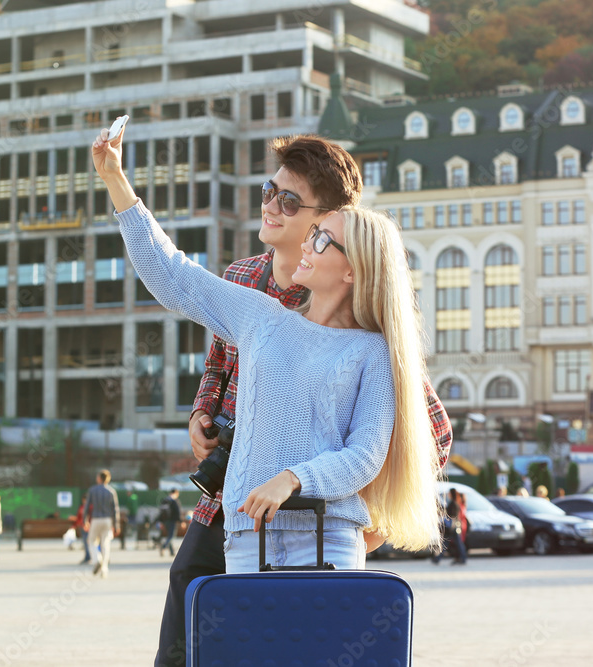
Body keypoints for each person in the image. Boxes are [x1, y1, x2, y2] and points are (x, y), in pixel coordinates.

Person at [140, 134, 453, 667]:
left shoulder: (368, 345)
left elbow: (429, 432)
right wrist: (202, 410)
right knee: (187, 627)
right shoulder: (246, 280)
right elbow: (217, 356)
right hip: (232, 500)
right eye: (269, 191)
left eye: (289, 200)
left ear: (327, 222)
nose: (271, 206)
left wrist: (367, 518)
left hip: (317, 518)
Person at [94, 127, 444, 567]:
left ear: (353, 270)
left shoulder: (372, 353)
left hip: (328, 538)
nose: (307, 245)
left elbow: (364, 456)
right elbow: (174, 276)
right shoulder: (261, 317)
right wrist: (116, 181)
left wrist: (294, 479)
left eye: (319, 238)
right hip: (245, 537)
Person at [84, 470, 119, 578]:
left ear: (99, 478)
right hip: (107, 520)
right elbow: (115, 509)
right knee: (105, 544)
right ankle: (104, 569)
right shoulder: (111, 491)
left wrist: (85, 520)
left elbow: (87, 507)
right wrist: (116, 525)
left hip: (96, 519)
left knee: (91, 540)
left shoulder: (92, 490)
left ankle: (96, 559)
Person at [432, 488, 466, 565]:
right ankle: (462, 558)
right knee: (454, 543)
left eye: (449, 493)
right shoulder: (455, 502)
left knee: (448, 543)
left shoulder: (453, 503)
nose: (448, 495)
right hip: (455, 527)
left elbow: (451, 515)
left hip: (452, 527)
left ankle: (438, 558)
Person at [159, 489, 183, 557]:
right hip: (172, 521)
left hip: (165, 521)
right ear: (175, 493)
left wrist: (161, 521)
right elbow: (178, 512)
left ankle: (172, 552)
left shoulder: (165, 500)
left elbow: (161, 512)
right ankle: (163, 547)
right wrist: (180, 521)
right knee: (171, 536)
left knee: (169, 536)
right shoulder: (174, 501)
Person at [71, 495, 92, 563]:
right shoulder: (82, 507)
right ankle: (88, 556)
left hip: (90, 527)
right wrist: (74, 525)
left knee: (91, 542)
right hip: (83, 526)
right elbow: (79, 517)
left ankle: (91, 557)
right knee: (85, 542)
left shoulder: (90, 507)